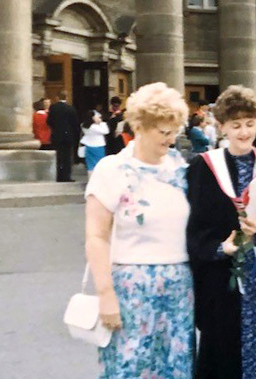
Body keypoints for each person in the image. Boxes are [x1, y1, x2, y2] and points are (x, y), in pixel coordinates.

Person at [84, 82, 194, 379]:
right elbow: (96, 236)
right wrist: (105, 293)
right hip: (131, 286)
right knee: (129, 366)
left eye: (175, 131)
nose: (171, 139)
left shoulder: (181, 168)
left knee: (176, 367)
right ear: (141, 126)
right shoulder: (112, 169)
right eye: (163, 131)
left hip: (179, 285)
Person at [187, 85, 256, 379]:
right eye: (235, 125)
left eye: (249, 124)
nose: (244, 132)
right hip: (223, 279)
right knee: (226, 351)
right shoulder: (203, 167)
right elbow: (194, 225)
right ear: (222, 127)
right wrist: (220, 248)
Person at [47, 90, 80, 182]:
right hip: (68, 136)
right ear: (66, 98)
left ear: (57, 98)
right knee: (67, 157)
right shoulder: (70, 108)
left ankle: (58, 176)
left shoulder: (53, 108)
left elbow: (49, 121)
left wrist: (55, 128)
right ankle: (66, 176)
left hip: (56, 135)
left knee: (58, 156)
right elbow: (75, 124)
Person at [80, 110, 109, 177]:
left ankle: (90, 182)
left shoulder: (84, 125)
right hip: (98, 146)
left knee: (90, 166)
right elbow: (106, 131)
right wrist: (101, 123)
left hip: (88, 146)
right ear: (93, 117)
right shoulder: (94, 127)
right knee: (99, 165)